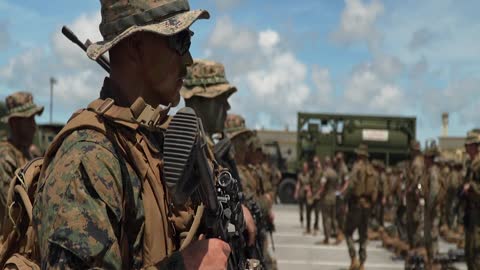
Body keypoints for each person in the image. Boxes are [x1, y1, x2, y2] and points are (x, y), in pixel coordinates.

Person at [33, 1, 232, 268]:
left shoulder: (153, 138)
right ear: (137, 46)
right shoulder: (88, 160)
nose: (189, 61)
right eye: (180, 41)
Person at [0, 92, 43, 230]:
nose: (34, 126)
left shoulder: (27, 153)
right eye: (29, 119)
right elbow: (13, 208)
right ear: (14, 123)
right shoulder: (4, 157)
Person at [345, 144, 377, 270]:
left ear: (359, 155)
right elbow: (375, 190)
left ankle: (354, 260)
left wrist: (344, 199)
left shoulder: (357, 167)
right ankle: (362, 263)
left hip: (356, 204)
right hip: (368, 206)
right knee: (363, 236)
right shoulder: (372, 170)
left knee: (348, 232)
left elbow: (351, 185)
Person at [463, 129, 480, 270]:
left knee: (476, 252)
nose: (466, 148)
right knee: (468, 252)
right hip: (470, 212)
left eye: (468, 145)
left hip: (478, 213)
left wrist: (472, 186)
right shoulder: (470, 163)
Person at [311, 156, 323, 235]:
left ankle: (316, 226)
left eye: (316, 162)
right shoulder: (313, 171)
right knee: (311, 209)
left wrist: (320, 192)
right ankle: (312, 226)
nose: (314, 164)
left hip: (318, 193)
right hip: (313, 192)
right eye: (314, 162)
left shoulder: (320, 171)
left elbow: (322, 183)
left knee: (317, 211)